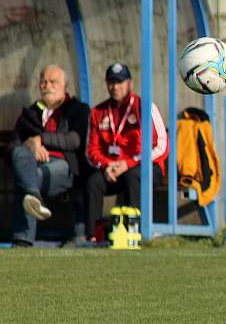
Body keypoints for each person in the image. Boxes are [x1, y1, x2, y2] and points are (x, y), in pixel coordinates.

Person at [84, 62, 169, 238]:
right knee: (94, 182)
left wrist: (129, 163)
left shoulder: (145, 107)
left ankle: (135, 231)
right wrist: (107, 165)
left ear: (130, 83)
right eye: (111, 82)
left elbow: (161, 147)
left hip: (145, 167)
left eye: (120, 82)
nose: (115, 87)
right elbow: (91, 149)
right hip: (113, 169)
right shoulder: (97, 112)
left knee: (133, 176)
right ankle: (93, 235)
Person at [8, 65, 90, 247]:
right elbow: (12, 146)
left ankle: (22, 239)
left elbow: (74, 140)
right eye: (44, 81)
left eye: (53, 82)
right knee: (21, 156)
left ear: (65, 85)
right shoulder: (29, 114)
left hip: (64, 166)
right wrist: (30, 145)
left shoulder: (78, 109)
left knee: (28, 178)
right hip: (32, 165)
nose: (47, 85)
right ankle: (33, 195)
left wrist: (40, 139)